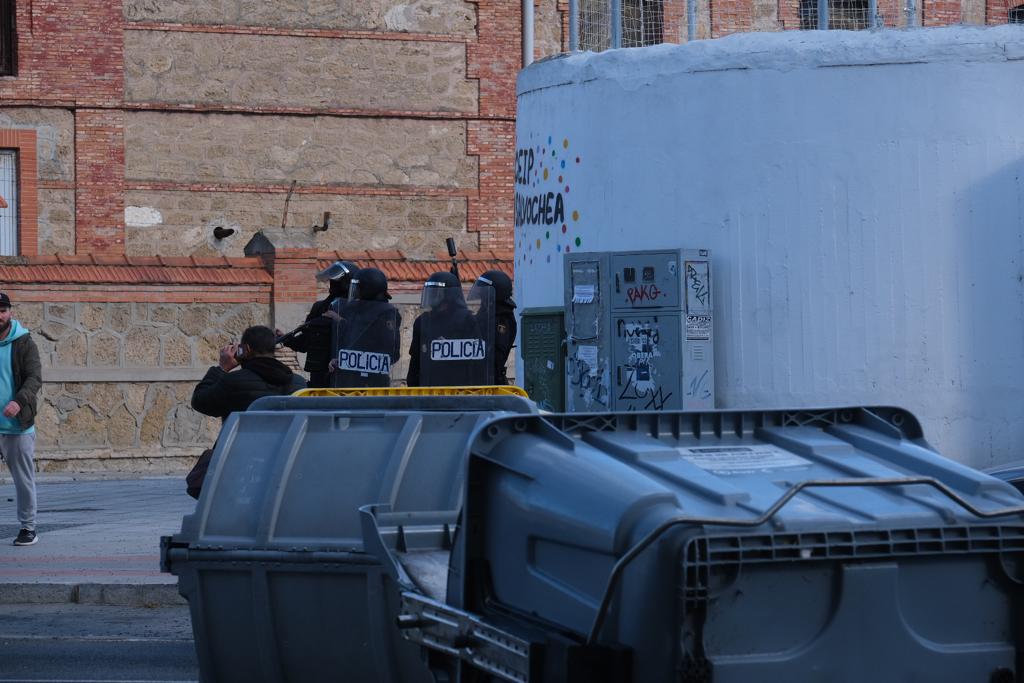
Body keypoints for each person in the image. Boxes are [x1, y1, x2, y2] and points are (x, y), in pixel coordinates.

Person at [192, 325, 307, 423]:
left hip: (241, 448)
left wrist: (222, 368)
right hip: (286, 447)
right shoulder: (299, 383)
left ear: (245, 349)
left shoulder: (233, 381)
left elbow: (200, 402)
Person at [0, 293, 43, 546]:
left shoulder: (24, 342)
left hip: (18, 428)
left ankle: (28, 528)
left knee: (23, 480)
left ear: (10, 313)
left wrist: (18, 401)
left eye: (3, 310)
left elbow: (34, 378)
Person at [277, 260, 357, 388]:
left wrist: (338, 320)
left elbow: (361, 337)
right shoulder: (320, 307)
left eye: (336, 281)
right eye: (332, 281)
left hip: (348, 377)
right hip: (319, 377)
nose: (332, 284)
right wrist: (287, 339)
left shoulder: (358, 310)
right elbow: (306, 343)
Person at [407, 271, 492, 387]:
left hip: (459, 389)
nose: (431, 296)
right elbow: (415, 362)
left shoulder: (466, 320)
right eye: (430, 292)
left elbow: (478, 363)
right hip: (429, 389)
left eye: (435, 293)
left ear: (449, 295)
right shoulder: (422, 321)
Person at [327, 268, 401, 388]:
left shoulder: (386, 313)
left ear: (368, 289)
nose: (356, 292)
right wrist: (339, 360)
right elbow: (349, 342)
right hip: (347, 380)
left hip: (373, 383)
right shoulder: (352, 309)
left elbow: (392, 353)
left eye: (358, 288)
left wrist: (360, 361)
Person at [470, 270, 517, 385]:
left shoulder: (503, 320)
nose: (482, 297)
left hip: (492, 383)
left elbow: (496, 356)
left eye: (484, 293)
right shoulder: (487, 313)